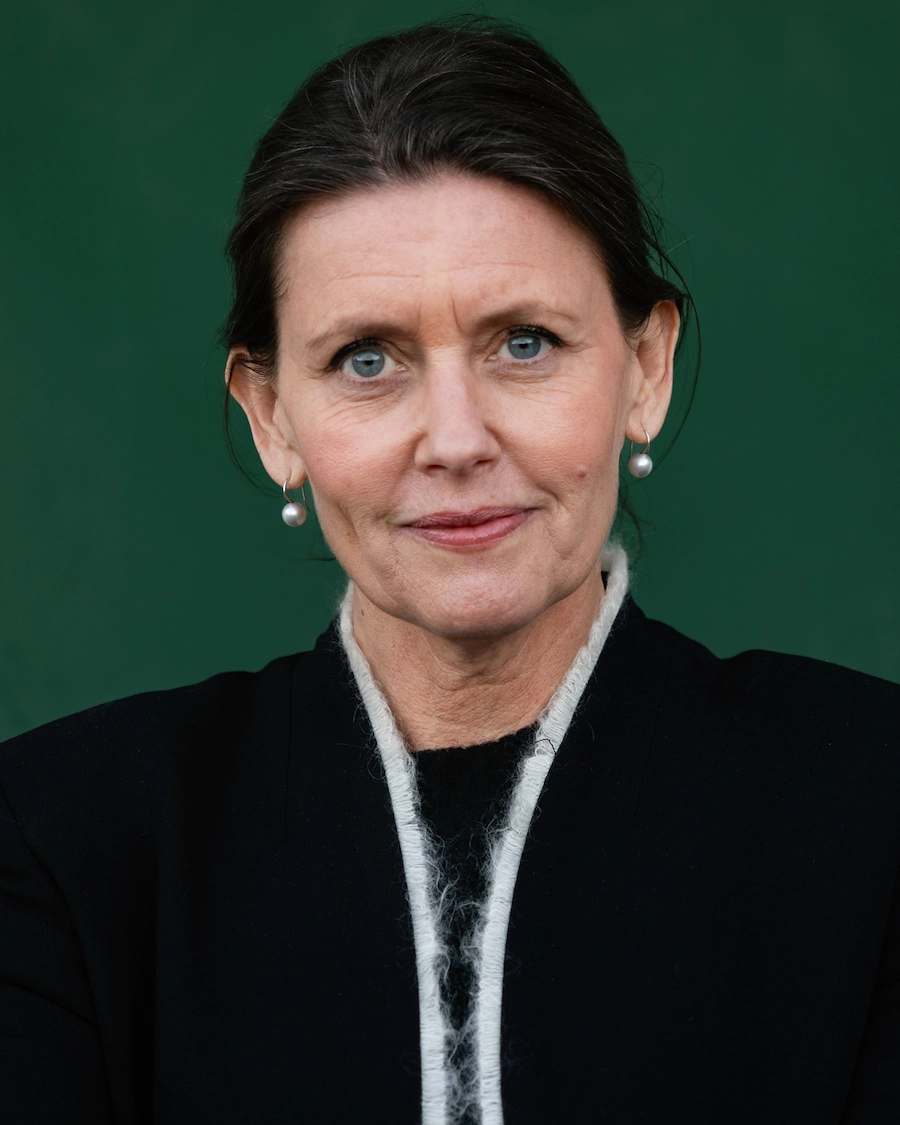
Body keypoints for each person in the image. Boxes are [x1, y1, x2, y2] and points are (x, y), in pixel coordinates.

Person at [1, 19, 897, 1125]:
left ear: (645, 367)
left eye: (525, 342)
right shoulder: (62, 840)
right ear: (273, 416)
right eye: (366, 359)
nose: (457, 439)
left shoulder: (873, 808)